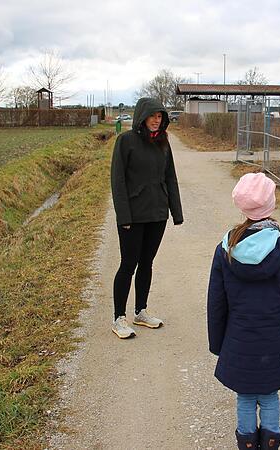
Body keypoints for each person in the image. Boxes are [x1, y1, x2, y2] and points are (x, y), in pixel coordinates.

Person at [207, 172, 280, 450]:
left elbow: (216, 303)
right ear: (271, 205)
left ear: (241, 206)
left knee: (245, 397)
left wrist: (218, 344)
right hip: (275, 341)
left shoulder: (226, 249)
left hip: (238, 341)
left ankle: (248, 445)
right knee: (270, 396)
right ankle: (271, 443)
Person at [110, 97, 183, 339]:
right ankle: (119, 318)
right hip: (133, 215)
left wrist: (176, 212)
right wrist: (123, 215)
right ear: (142, 116)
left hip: (157, 214)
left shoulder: (163, 143)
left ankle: (140, 312)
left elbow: (170, 178)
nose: (156, 120)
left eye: (160, 117)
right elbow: (118, 181)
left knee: (147, 263)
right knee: (128, 264)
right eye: (152, 116)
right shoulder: (126, 141)